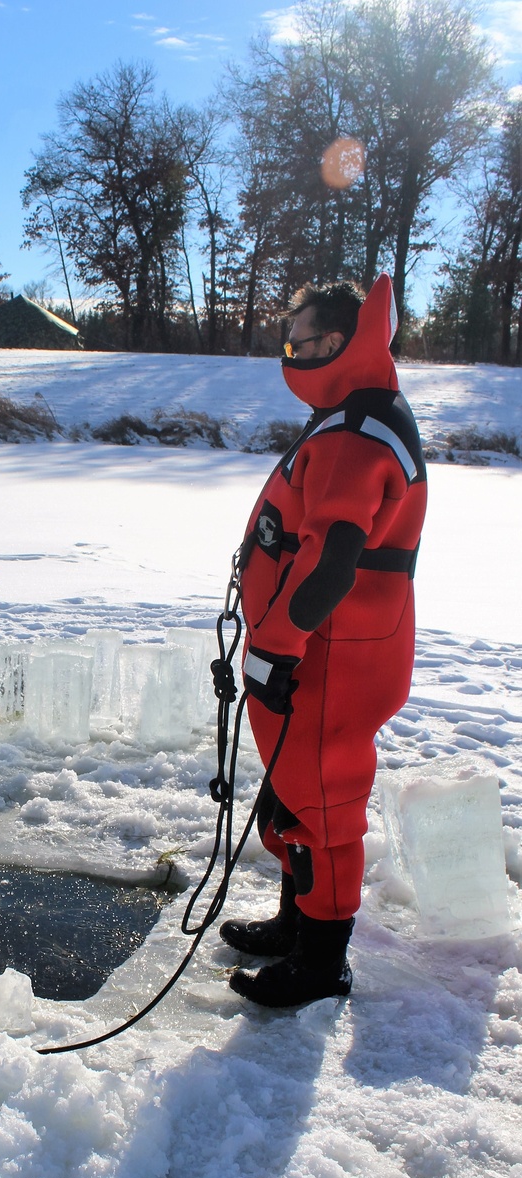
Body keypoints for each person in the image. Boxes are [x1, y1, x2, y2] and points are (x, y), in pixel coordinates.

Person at [221, 274, 426, 1008]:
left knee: (322, 807)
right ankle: (294, 922)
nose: (289, 351)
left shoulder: (355, 430)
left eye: (297, 339)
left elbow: (331, 560)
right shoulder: (351, 413)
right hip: (333, 647)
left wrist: (277, 646)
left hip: (329, 653)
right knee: (295, 790)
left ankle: (320, 963)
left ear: (335, 343)